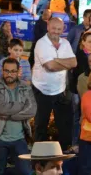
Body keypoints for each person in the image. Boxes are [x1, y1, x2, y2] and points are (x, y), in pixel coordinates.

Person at [0, 57, 36, 175]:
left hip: (19, 138)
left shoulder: (25, 87)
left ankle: (6, 174)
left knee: (25, 170)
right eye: (7, 71)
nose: (9, 74)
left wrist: (12, 113)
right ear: (2, 71)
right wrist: (21, 105)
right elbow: (1, 109)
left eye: (13, 71)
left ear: (18, 71)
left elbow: (32, 110)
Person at [32, 16, 76, 150]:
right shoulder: (41, 43)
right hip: (42, 91)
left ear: (63, 29)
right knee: (41, 124)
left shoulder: (66, 43)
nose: (56, 31)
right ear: (48, 27)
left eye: (59, 29)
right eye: (53, 28)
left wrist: (56, 61)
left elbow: (74, 63)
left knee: (63, 125)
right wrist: (64, 62)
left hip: (60, 90)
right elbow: (49, 66)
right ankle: (40, 157)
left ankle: (62, 154)